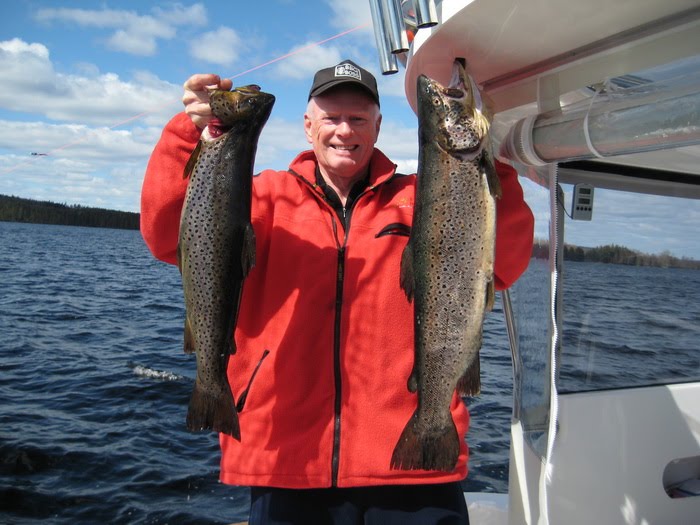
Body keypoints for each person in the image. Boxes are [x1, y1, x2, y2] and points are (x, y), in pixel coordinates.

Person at [141, 59, 534, 524]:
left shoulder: (427, 197)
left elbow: (504, 265)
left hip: (415, 466)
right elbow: (167, 235)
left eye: (359, 118)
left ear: (378, 127)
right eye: (331, 117)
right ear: (308, 126)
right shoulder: (261, 196)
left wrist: (492, 167)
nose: (344, 130)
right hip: (284, 463)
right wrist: (189, 131)